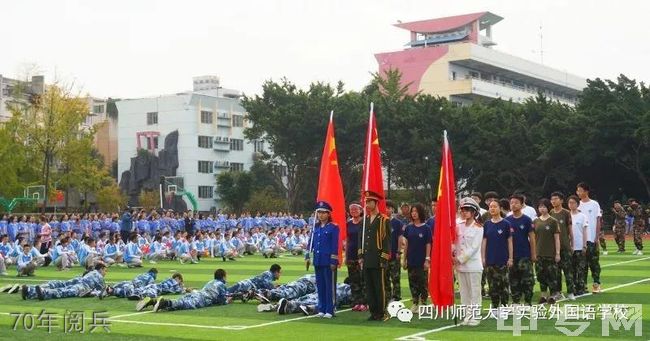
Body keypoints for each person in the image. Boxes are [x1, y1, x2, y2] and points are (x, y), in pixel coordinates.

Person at [358, 190, 391, 321]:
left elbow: (386, 240)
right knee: (369, 286)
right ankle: (373, 312)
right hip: (367, 258)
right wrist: (360, 256)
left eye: (369, 202)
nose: (367, 204)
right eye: (366, 202)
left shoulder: (383, 220)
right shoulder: (364, 220)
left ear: (376, 203)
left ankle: (382, 312)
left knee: (379, 286)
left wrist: (384, 257)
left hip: (378, 258)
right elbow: (360, 238)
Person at [306, 201, 339, 318]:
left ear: (328, 214)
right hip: (318, 259)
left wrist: (334, 260)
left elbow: (335, 245)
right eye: (319, 212)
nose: (320, 215)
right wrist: (307, 255)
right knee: (320, 285)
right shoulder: (315, 227)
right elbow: (311, 242)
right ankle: (322, 308)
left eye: (323, 213)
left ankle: (330, 309)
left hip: (328, 260)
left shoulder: (333, 227)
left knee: (329, 286)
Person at [454, 197, 484, 326]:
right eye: (462, 210)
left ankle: (475, 316)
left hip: (473, 265)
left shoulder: (478, 227)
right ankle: (467, 315)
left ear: (474, 212)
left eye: (467, 210)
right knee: (464, 293)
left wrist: (459, 259)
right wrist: (452, 254)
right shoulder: (458, 226)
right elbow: (455, 242)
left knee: (474, 292)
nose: (464, 212)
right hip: (460, 266)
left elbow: (474, 248)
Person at [505, 194, 536, 306]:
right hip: (512, 256)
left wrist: (533, 254)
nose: (513, 205)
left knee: (527, 280)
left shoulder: (527, 220)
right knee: (513, 280)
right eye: (511, 202)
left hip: (525, 254)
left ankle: (528, 302)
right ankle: (516, 302)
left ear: (522, 205)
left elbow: (532, 238)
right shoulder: (507, 221)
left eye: (516, 202)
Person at [151, 269, 230, 312]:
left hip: (197, 293)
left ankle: (154, 302)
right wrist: (227, 300)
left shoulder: (211, 281)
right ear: (223, 277)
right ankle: (165, 303)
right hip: (203, 298)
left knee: (181, 301)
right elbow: (221, 300)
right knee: (185, 304)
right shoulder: (222, 285)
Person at [482, 200, 513, 310]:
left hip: (503, 259)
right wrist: (483, 257)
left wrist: (510, 258)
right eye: (490, 207)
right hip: (490, 259)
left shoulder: (506, 224)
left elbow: (509, 241)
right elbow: (484, 241)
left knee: (503, 284)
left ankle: (504, 307)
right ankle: (495, 306)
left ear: (500, 208)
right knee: (492, 285)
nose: (492, 209)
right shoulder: (487, 224)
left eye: (495, 206)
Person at [401, 203, 432, 313]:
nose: (414, 213)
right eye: (412, 211)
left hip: (422, 260)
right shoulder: (409, 228)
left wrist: (427, 259)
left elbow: (428, 244)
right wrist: (404, 260)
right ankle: (415, 302)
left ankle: (423, 303)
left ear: (420, 213)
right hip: (411, 259)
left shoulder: (426, 228)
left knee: (422, 282)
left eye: (416, 211)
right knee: (412, 282)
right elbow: (406, 245)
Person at [22, 263, 107, 300]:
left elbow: (84, 275)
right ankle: (45, 293)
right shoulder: (99, 276)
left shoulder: (91, 272)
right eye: (105, 270)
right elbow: (102, 290)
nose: (105, 273)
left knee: (60, 284)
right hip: (84, 286)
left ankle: (30, 290)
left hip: (78, 279)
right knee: (65, 291)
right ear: (101, 269)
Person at [533, 198, 561, 304]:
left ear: (548, 208)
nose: (542, 209)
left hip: (550, 253)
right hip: (539, 253)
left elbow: (556, 238)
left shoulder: (553, 221)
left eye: (544, 206)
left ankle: (553, 294)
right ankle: (543, 294)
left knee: (552, 274)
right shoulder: (535, 221)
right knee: (541, 274)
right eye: (540, 206)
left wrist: (557, 253)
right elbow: (533, 238)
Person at [576, 182, 602, 293]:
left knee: (594, 263)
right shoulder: (577, 205)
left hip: (591, 239)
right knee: (582, 264)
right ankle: (583, 285)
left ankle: (596, 284)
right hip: (581, 241)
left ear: (586, 191)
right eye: (577, 190)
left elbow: (598, 221)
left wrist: (597, 237)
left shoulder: (594, 204)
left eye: (580, 190)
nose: (578, 192)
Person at [550, 192, 574, 300]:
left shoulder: (566, 213)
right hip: (554, 247)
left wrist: (571, 244)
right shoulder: (550, 213)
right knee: (556, 272)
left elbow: (570, 230)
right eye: (552, 199)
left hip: (565, 246)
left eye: (556, 199)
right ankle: (558, 292)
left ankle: (570, 292)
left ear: (561, 200)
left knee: (568, 270)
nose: (553, 201)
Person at [346, 202, 366, 312]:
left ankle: (364, 302)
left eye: (356, 209)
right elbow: (347, 239)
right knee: (353, 280)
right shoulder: (348, 224)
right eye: (351, 209)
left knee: (362, 279)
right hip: (351, 254)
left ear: (361, 211)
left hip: (361, 255)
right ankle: (356, 301)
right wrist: (346, 256)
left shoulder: (364, 223)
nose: (353, 211)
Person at [568, 195, 588, 296]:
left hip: (579, 246)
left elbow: (584, 232)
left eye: (573, 203)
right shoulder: (567, 216)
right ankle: (573, 288)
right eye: (570, 203)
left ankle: (581, 287)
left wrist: (585, 245)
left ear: (577, 204)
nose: (571, 205)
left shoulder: (582, 216)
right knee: (572, 269)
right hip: (570, 247)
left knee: (580, 269)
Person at [386, 201, 403, 302]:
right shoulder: (381, 221)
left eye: (389, 208)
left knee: (395, 278)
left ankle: (397, 297)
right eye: (385, 207)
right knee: (385, 278)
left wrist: (398, 252)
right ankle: (387, 297)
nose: (387, 209)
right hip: (383, 256)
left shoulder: (397, 223)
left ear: (392, 209)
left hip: (394, 255)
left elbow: (400, 238)